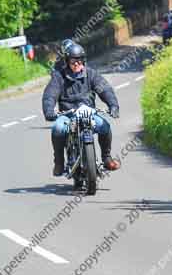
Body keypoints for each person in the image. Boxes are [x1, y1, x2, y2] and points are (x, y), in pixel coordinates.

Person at [42, 39, 121, 175]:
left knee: (105, 126)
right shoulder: (58, 77)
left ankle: (107, 158)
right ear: (67, 61)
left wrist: (113, 105)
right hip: (67, 115)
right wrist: (49, 111)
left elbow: (105, 89)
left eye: (79, 60)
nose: (77, 64)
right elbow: (50, 95)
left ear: (84, 60)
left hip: (88, 113)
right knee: (58, 128)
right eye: (73, 61)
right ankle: (59, 162)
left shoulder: (91, 74)